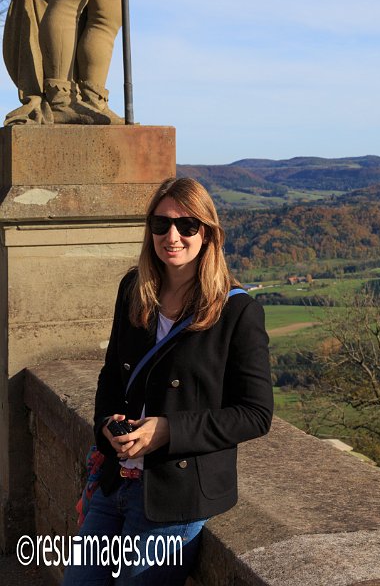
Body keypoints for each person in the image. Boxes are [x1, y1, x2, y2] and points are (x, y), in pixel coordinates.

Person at [62, 177, 273, 585]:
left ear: (208, 232)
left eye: (186, 225)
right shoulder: (134, 290)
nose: (171, 236)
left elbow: (256, 414)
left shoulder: (238, 312)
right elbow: (111, 374)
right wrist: (107, 423)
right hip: (115, 481)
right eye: (160, 225)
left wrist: (167, 431)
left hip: (175, 494)